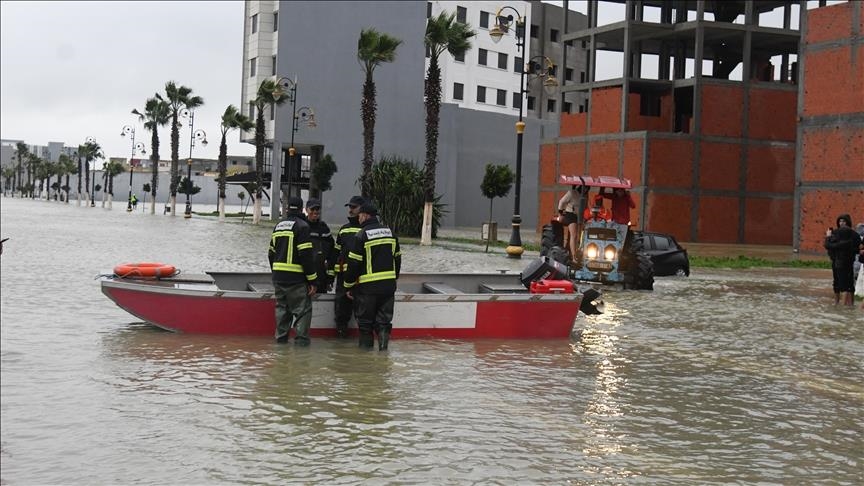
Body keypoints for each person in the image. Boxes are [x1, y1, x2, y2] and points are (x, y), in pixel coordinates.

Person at [344, 202, 401, 350]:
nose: (358, 219)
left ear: (365, 215)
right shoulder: (390, 233)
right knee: (384, 323)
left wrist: (348, 285)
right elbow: (397, 258)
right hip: (388, 288)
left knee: (365, 324)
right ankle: (383, 351)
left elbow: (354, 264)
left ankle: (365, 358)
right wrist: (393, 279)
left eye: (360, 216)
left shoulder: (361, 235)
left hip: (367, 289)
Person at [268, 196, 318, 344]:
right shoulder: (302, 226)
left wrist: (276, 272)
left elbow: (270, 254)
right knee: (303, 312)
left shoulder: (278, 226)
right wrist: (313, 280)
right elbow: (306, 256)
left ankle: (280, 346)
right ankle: (301, 351)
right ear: (302, 209)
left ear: (287, 209)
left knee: (282, 312)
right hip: (296, 280)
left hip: (279, 279)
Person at [332, 195, 366, 338]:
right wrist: (330, 276)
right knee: (341, 311)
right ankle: (341, 338)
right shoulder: (343, 230)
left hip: (362, 278)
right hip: (343, 278)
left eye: (354, 207)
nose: (350, 210)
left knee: (364, 312)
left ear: (361, 209)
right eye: (349, 207)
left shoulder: (367, 230)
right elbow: (336, 253)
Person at [824, 214, 861, 306]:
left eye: (844, 221)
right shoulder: (835, 233)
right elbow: (829, 247)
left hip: (847, 261)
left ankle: (849, 304)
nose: (842, 223)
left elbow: (858, 248)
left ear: (848, 222)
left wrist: (828, 237)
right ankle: (837, 303)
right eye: (840, 221)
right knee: (837, 282)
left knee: (848, 284)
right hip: (836, 260)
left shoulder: (853, 235)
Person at [305, 198, 336, 294]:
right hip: (304, 277)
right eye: (312, 209)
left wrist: (330, 277)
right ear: (306, 210)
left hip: (321, 276)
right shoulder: (302, 227)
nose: (315, 212)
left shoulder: (324, 228)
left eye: (317, 209)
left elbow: (332, 253)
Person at [558, 185, 589, 261]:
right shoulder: (571, 193)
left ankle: (579, 253)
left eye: (587, 189)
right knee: (574, 235)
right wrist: (560, 213)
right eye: (584, 188)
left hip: (580, 215)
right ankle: (573, 256)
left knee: (580, 236)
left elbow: (586, 206)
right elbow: (561, 202)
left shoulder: (585, 195)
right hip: (571, 214)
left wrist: (586, 217)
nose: (585, 190)